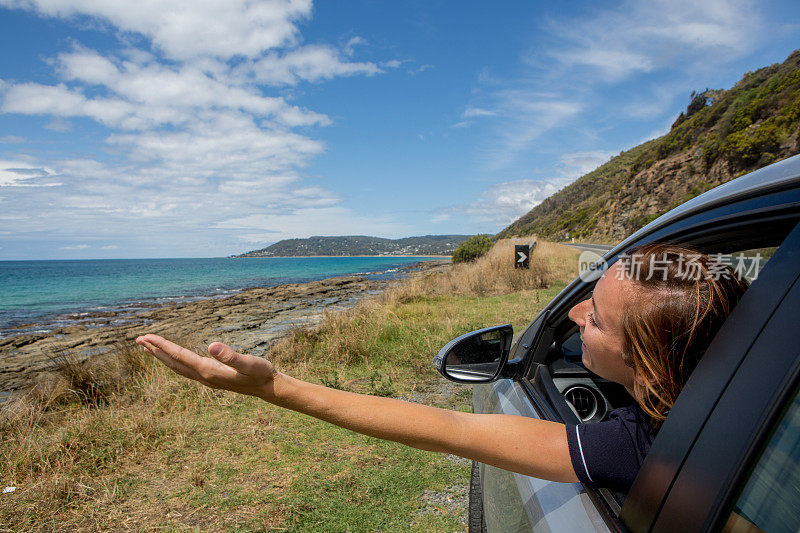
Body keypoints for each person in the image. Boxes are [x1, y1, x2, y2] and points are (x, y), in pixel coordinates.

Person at [136, 243, 749, 492]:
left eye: (600, 317)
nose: (576, 312)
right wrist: (274, 384)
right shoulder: (727, 417)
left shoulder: (644, 449)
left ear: (647, 362)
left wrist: (277, 389)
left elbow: (448, 430)